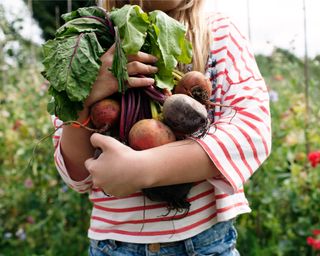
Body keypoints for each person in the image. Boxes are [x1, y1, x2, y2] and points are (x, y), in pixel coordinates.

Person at [52, 0, 271, 255]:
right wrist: (83, 95)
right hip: (113, 247)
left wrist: (145, 168)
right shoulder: (92, 41)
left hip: (205, 244)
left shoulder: (217, 31)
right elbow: (77, 176)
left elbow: (251, 132)